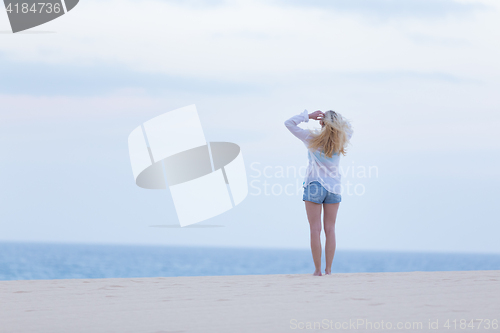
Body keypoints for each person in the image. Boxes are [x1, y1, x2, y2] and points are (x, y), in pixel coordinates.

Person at [284, 109, 353, 276]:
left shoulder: (311, 137)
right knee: (330, 229)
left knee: (315, 229)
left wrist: (308, 116)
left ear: (321, 123)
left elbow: (288, 123)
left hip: (314, 184)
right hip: (334, 188)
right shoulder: (343, 138)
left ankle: (317, 270)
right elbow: (349, 126)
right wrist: (333, 119)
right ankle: (328, 270)